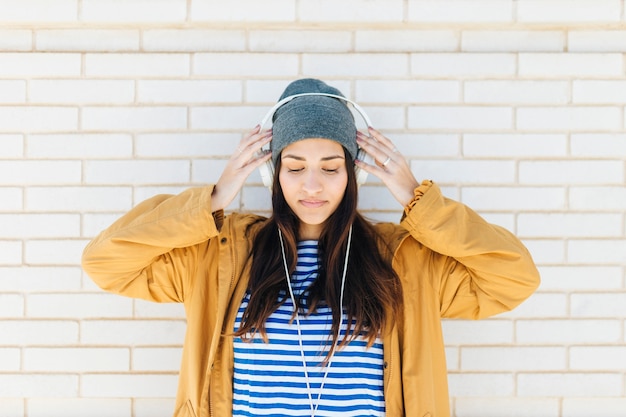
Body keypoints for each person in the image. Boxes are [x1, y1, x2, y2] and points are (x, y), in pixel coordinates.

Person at [82, 78, 540, 417]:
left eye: (331, 167)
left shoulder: (402, 260)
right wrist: (216, 199)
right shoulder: (219, 255)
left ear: (354, 175)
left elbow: (513, 277)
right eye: (295, 167)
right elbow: (107, 262)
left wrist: (416, 198)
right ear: (273, 174)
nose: (312, 186)